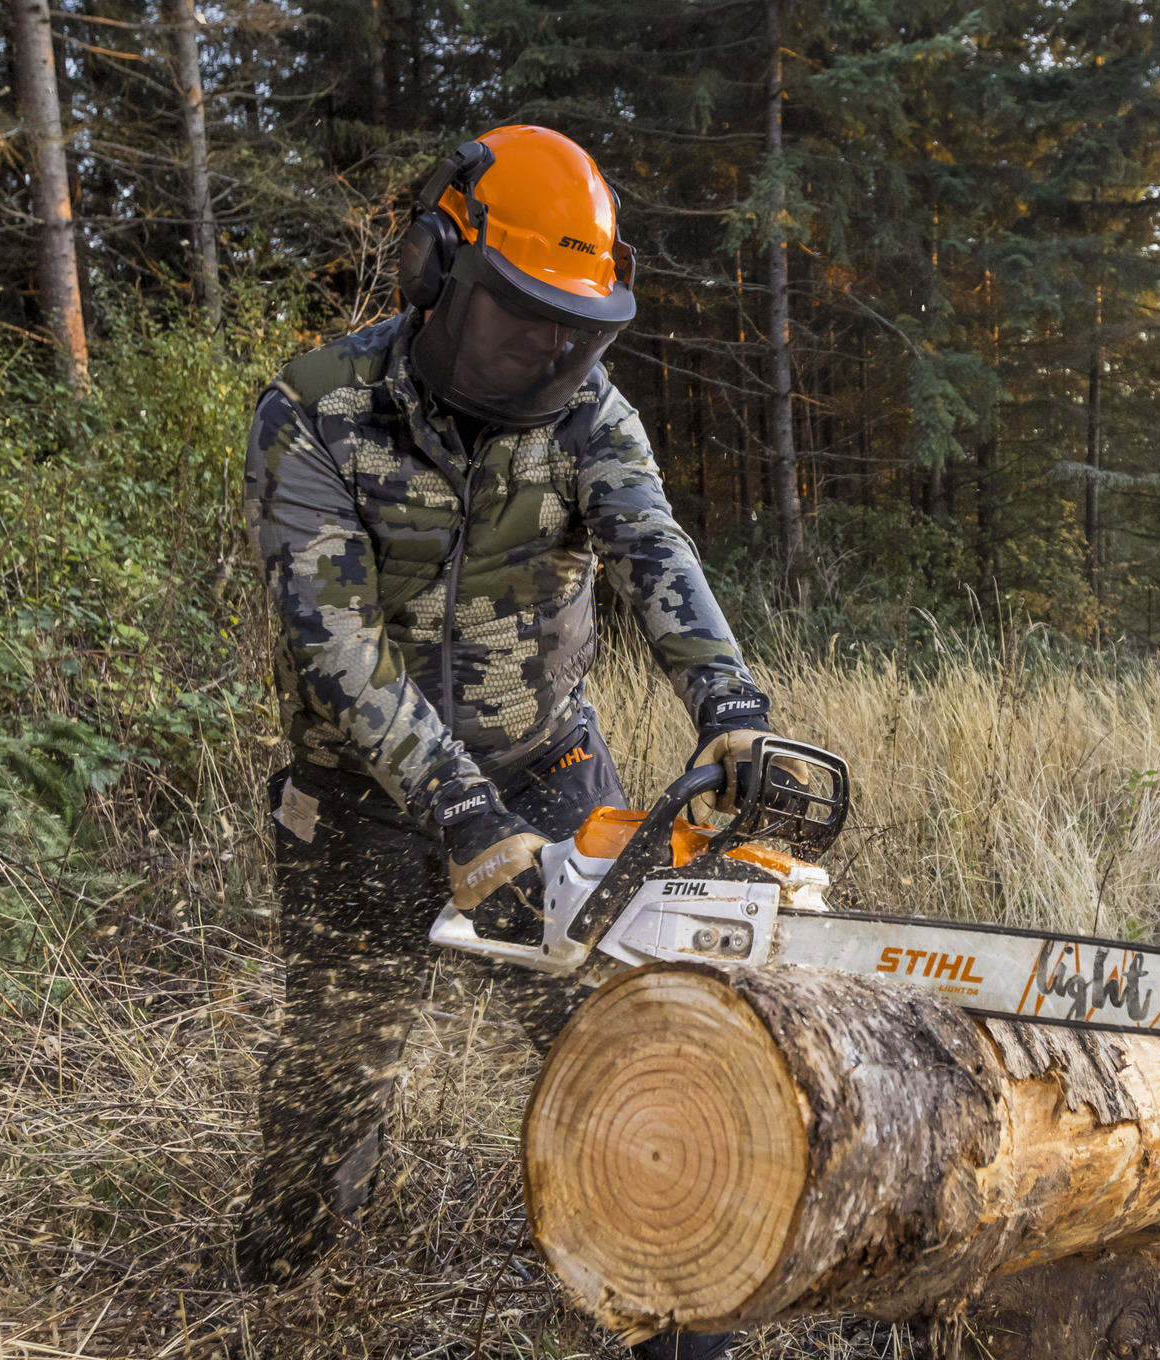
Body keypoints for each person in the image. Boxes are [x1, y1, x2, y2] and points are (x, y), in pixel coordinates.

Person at [235, 126, 779, 1346]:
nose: (544, 351)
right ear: (437, 267)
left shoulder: (587, 415)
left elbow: (653, 548)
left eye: (571, 330)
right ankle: (282, 1293)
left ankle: (680, 1315)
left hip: (546, 767)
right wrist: (460, 814)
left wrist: (731, 706)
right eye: (520, 318)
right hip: (361, 801)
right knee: (333, 1077)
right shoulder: (317, 411)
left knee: (632, 1058)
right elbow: (335, 646)